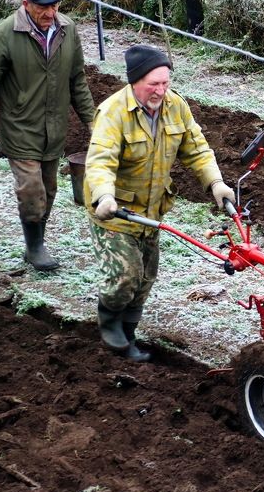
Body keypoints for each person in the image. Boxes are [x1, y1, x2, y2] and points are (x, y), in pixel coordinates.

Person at [84, 44, 235, 362]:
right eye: (154, 84)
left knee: (146, 278)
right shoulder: (113, 113)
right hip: (115, 211)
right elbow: (100, 160)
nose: (161, 91)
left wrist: (215, 181)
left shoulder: (175, 107)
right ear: (135, 81)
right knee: (125, 276)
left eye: (165, 83)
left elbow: (196, 148)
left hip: (151, 210)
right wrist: (104, 195)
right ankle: (109, 319)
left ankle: (129, 331)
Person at [0, 0, 96, 271]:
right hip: (20, 126)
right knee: (30, 188)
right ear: (26, 4)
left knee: (49, 189)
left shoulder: (68, 30)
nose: (49, 14)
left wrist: (92, 121)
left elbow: (77, 80)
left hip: (54, 129)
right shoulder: (6, 34)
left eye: (54, 6)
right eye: (42, 8)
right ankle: (35, 247)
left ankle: (37, 237)